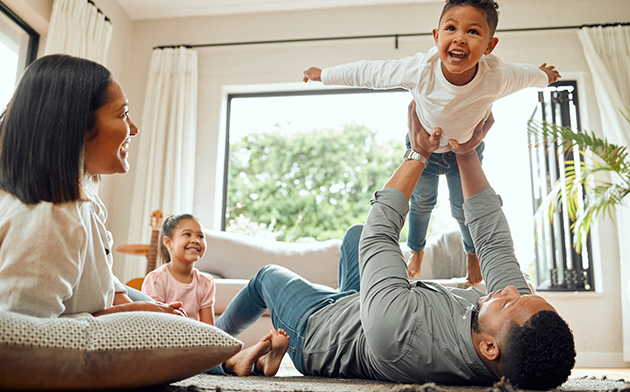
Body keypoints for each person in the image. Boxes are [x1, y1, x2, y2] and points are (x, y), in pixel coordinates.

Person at [215, 102, 576, 389]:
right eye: (520, 293)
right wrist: (467, 155)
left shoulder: (401, 337)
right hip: (362, 309)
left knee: (266, 277)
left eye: (509, 300)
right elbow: (494, 242)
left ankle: (216, 353)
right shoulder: (506, 335)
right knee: (353, 234)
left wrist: (418, 153)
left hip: (318, 331)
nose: (509, 289)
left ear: (489, 348)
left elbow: (380, 234)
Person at [0, 54, 283, 377]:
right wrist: (136, 315)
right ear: (78, 126)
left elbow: (103, 284)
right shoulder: (49, 217)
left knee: (156, 308)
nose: (133, 128)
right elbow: (24, 340)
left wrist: (138, 308)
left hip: (112, 291)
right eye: (122, 114)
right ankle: (230, 358)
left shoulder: (78, 204)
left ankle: (231, 358)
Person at [302, 0, 561, 286]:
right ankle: (417, 250)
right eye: (451, 28)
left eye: (473, 32)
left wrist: (543, 77)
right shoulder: (420, 69)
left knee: (462, 208)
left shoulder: (496, 75)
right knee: (421, 203)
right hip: (425, 150)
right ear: (437, 36)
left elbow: (525, 76)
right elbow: (369, 72)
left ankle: (471, 253)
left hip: (465, 149)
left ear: (489, 46)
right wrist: (324, 75)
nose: (460, 37)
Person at [142, 213, 290, 376]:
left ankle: (258, 363)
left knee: (209, 352)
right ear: (168, 242)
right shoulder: (156, 279)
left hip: (198, 342)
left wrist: (212, 348)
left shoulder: (205, 282)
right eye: (187, 234)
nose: (195, 240)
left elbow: (210, 330)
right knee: (187, 361)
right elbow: (153, 327)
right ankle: (243, 361)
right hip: (169, 343)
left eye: (200, 236)